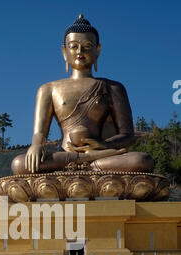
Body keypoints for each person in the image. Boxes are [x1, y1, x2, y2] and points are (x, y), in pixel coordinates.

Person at [11, 14, 154, 175]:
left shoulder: (113, 87)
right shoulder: (48, 89)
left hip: (102, 157)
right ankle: (85, 165)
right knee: (20, 164)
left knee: (141, 161)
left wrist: (104, 145)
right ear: (64, 51)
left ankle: (86, 165)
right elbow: (39, 133)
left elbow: (127, 135)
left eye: (87, 46)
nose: (80, 51)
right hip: (66, 155)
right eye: (73, 46)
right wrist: (36, 145)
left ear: (97, 51)